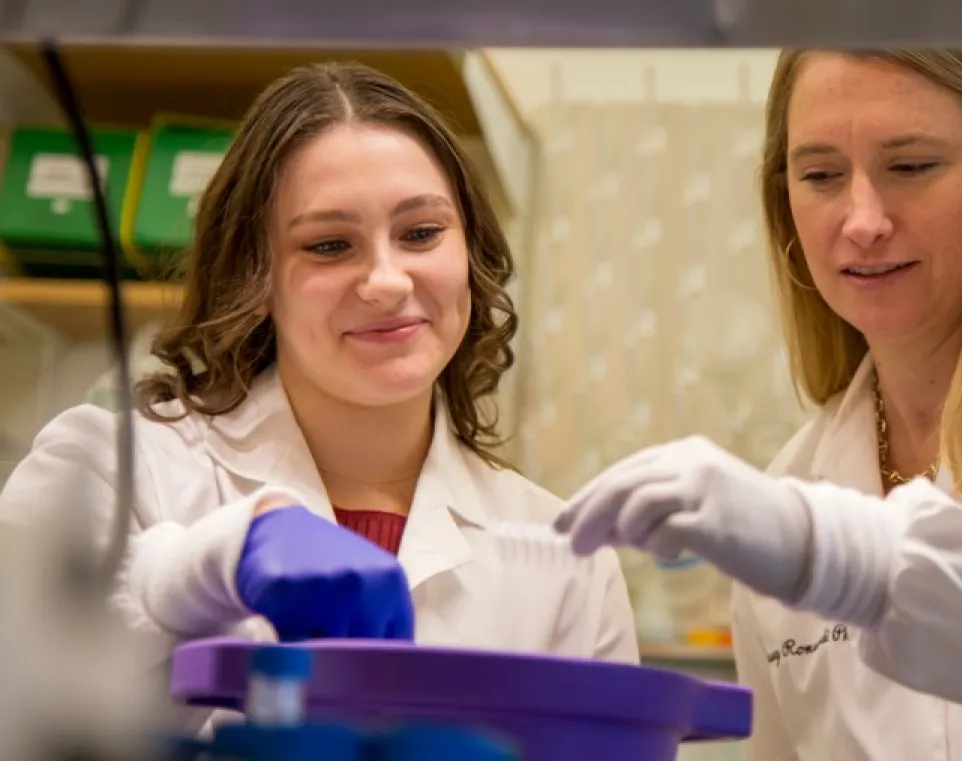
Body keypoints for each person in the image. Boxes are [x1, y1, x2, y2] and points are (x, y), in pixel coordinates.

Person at [0, 61, 637, 730]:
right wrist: (191, 572)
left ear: (470, 254)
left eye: (421, 233)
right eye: (330, 245)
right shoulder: (115, 467)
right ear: (256, 277)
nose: (387, 281)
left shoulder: (565, 554)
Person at [555, 47, 962, 759]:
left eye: (912, 165)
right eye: (822, 175)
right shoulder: (795, 482)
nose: (862, 220)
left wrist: (832, 552)